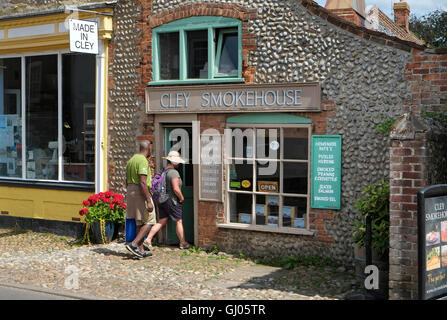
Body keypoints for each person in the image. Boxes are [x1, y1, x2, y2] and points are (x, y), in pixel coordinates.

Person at [144, 150, 192, 250]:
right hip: (172, 200)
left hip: (161, 200)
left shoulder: (163, 171)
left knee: (162, 220)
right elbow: (176, 188)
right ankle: (183, 243)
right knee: (178, 221)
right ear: (176, 162)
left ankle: (148, 240)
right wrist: (181, 197)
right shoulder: (174, 173)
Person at [124, 140, 156, 258]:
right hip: (140, 193)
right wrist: (148, 200)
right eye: (152, 147)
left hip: (131, 191)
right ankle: (133, 244)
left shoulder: (131, 160)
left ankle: (140, 251)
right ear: (148, 147)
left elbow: (126, 180)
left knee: (139, 222)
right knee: (150, 221)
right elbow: (143, 182)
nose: (152, 150)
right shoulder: (142, 160)